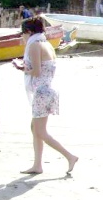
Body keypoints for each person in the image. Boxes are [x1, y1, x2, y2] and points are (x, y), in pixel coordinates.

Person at [12, 17, 78, 175]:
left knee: (40, 131)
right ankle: (37, 165)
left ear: (29, 32)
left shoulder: (35, 45)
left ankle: (70, 156)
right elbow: (41, 68)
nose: (23, 36)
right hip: (48, 90)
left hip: (42, 91)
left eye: (23, 33)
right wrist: (25, 68)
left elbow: (36, 71)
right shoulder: (46, 43)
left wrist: (21, 68)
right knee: (35, 128)